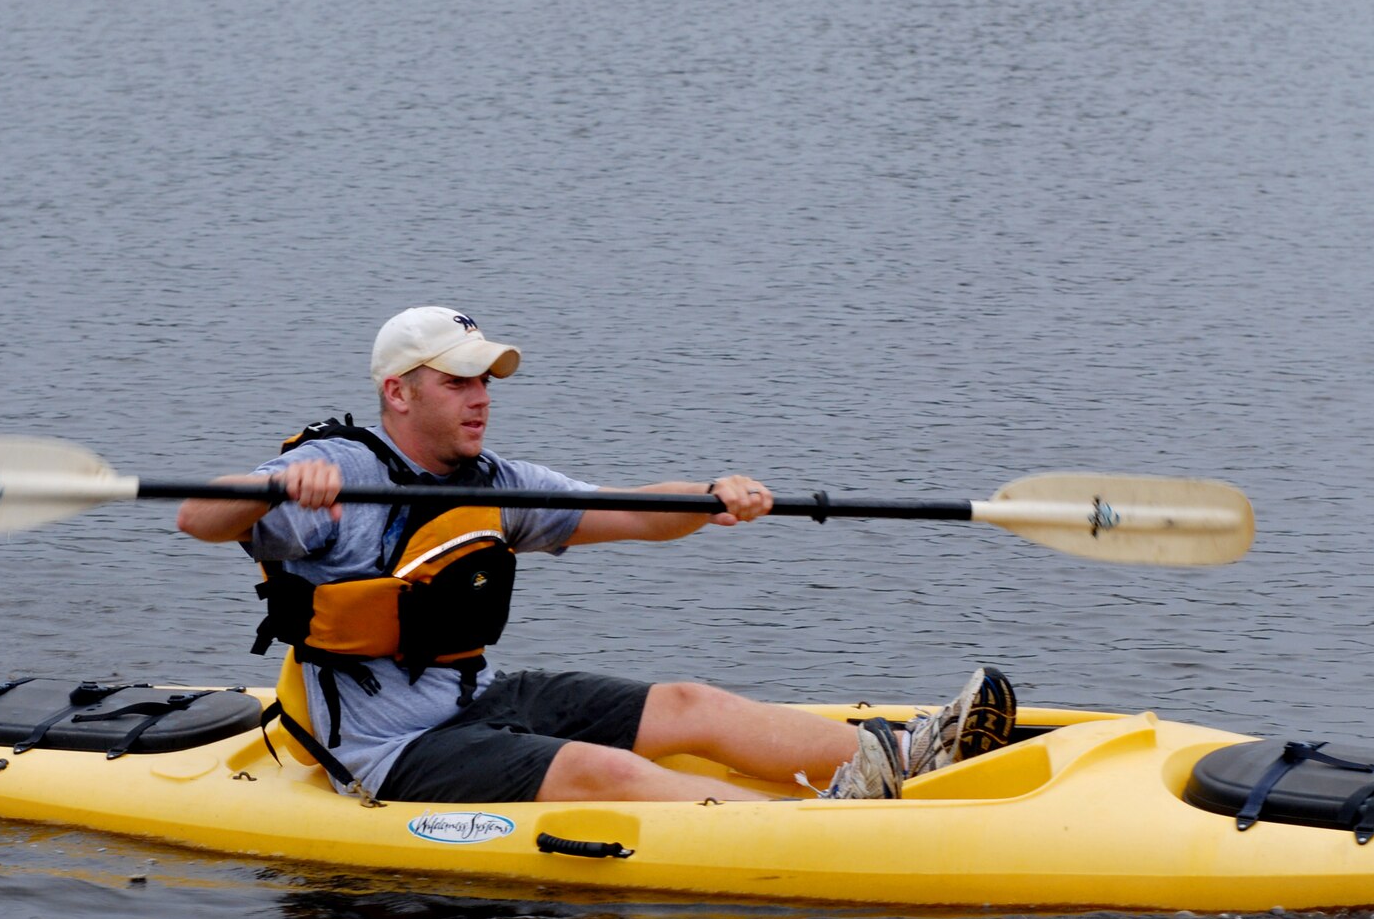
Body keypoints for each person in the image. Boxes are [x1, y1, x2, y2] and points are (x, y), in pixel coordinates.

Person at [177, 305, 1014, 805]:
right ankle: (826, 828)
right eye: (459, 381)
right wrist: (275, 489)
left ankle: (901, 755)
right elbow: (197, 516)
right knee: (599, 771)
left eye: (487, 381)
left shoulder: (494, 481)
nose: (481, 398)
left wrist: (715, 495)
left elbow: (632, 513)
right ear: (399, 392)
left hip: (474, 703)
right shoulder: (339, 476)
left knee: (686, 701)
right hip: (382, 749)